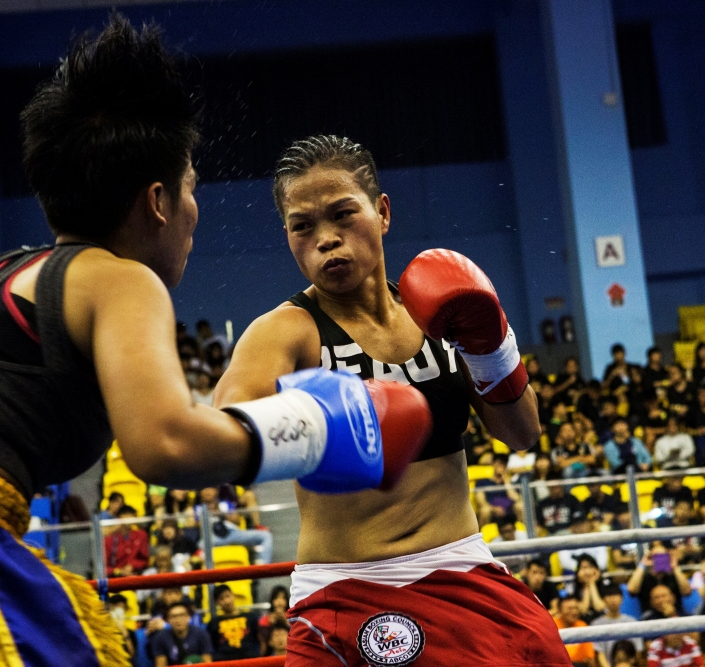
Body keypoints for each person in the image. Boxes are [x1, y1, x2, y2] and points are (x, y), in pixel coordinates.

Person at [0, 19, 436, 667]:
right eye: (190, 189)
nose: (194, 213)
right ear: (156, 201)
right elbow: (165, 444)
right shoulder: (120, 278)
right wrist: (321, 425)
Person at [213, 135, 569, 666]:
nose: (326, 240)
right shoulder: (285, 332)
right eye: (302, 226)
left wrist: (490, 347)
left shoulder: (445, 310)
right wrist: (324, 428)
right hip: (347, 591)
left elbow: (521, 433)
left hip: (463, 570)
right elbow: (224, 426)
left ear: (382, 212)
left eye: (342, 214)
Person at [626, 541, 692, 614]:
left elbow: (687, 592)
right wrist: (643, 564)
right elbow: (631, 590)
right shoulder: (644, 579)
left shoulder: (673, 577)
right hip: (650, 618)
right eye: (657, 557)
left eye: (663, 556)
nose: (660, 560)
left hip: (675, 615)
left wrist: (675, 567)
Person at [589, 579, 642, 664]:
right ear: (603, 599)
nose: (613, 599)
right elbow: (599, 654)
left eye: (616, 595)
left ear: (622, 598)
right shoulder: (596, 624)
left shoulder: (632, 622)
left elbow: (637, 652)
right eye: (609, 596)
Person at [149, 600, 213, 666]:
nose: (178, 620)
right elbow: (161, 665)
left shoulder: (201, 634)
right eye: (174, 616)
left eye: (181, 615)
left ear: (188, 617)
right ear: (168, 620)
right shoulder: (160, 638)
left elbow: (207, 663)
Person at [205, 584, 260, 661]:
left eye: (228, 596)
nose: (226, 601)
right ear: (217, 602)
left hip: (249, 660)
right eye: (221, 599)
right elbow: (210, 647)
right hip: (224, 662)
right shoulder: (213, 623)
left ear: (233, 596)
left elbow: (260, 640)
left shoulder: (250, 617)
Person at [474, 453, 523, 526]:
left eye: (503, 464)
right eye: (498, 464)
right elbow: (481, 502)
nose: (500, 467)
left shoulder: (511, 482)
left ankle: (525, 533)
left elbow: (516, 498)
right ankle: (480, 534)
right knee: (485, 510)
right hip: (492, 510)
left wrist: (506, 480)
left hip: (509, 510)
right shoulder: (482, 482)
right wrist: (494, 509)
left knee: (520, 506)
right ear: (493, 464)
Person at [105, 504, 150, 577]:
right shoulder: (109, 540)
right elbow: (104, 567)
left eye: (131, 515)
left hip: (137, 575)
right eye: (126, 515)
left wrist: (132, 566)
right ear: (119, 518)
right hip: (116, 578)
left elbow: (144, 560)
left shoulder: (141, 535)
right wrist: (118, 571)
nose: (129, 518)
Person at [553, 597, 596, 667]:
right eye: (570, 609)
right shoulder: (551, 625)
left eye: (576, 608)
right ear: (559, 610)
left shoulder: (583, 626)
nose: (574, 612)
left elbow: (590, 659)